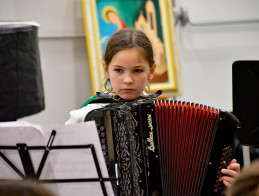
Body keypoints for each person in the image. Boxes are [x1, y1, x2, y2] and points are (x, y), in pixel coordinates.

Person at [65, 28, 240, 192]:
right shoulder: (84, 117)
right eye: (118, 70)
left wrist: (227, 185)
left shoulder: (172, 117)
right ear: (106, 70)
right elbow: (63, 173)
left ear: (151, 71)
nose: (127, 79)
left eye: (137, 70)